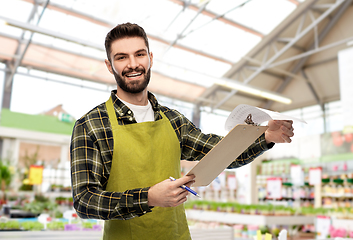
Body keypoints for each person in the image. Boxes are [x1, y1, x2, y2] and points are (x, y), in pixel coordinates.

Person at [70, 22, 294, 240]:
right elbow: (85, 200)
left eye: (139, 54)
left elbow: (221, 154)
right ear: (110, 66)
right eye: (121, 57)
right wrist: (148, 198)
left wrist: (265, 137)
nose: (133, 64)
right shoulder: (91, 125)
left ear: (150, 58)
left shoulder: (173, 120)